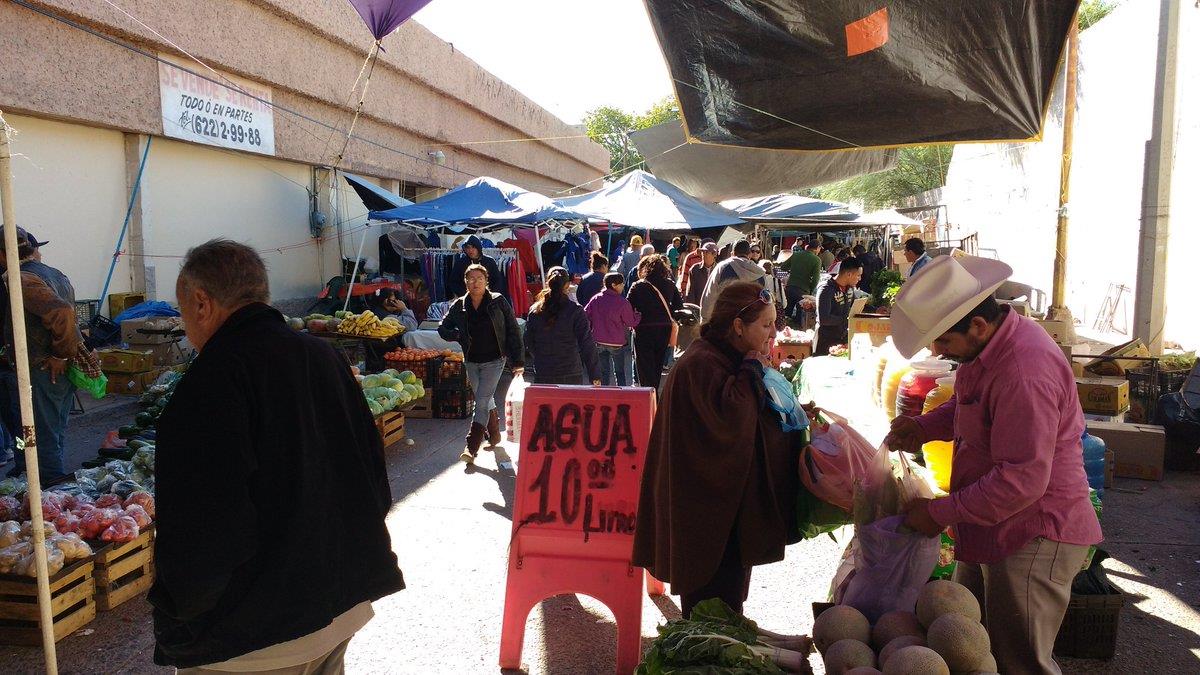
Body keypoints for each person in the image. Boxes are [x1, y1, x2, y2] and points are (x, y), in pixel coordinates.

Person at [149, 240, 403, 671]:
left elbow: (204, 524)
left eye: (181, 310)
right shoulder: (324, 356)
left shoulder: (212, 379)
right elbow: (372, 475)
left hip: (256, 638)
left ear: (201, 303)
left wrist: (181, 614)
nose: (185, 323)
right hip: (340, 604)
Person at [884, 255, 1102, 675]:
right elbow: (970, 409)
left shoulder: (1024, 371)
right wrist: (923, 426)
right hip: (993, 521)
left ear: (978, 327)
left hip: (1033, 532)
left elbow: (1021, 480)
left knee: (1019, 662)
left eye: (944, 342)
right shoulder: (984, 352)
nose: (937, 351)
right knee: (972, 650)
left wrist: (937, 513)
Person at [633, 281, 800, 617]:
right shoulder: (701, 364)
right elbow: (730, 423)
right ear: (738, 327)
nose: (772, 334)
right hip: (702, 512)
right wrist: (752, 370)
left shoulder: (724, 356)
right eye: (765, 325)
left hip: (722, 507)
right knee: (710, 605)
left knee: (727, 600)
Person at [0, 227, 81, 483]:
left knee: (40, 429)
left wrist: (61, 355)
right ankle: (27, 464)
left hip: (43, 366)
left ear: (4, 254)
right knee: (33, 426)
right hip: (42, 366)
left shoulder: (22, 279)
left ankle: (50, 485)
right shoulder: (54, 274)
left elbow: (64, 313)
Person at [438, 264, 525, 464]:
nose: (475, 282)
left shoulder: (498, 301)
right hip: (471, 360)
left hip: (495, 359)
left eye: (479, 278)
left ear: (486, 281)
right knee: (484, 398)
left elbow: (513, 330)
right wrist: (456, 336)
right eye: (471, 278)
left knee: (482, 401)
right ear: (465, 282)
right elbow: (443, 327)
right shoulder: (459, 305)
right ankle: (494, 435)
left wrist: (518, 360)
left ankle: (471, 447)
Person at [525, 267, 601, 385]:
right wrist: (594, 374)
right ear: (567, 285)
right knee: (571, 403)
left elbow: (529, 341)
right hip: (570, 369)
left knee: (546, 403)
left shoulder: (535, 311)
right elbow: (587, 343)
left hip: (544, 370)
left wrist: (540, 357)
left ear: (548, 283)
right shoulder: (575, 310)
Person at [627, 255, 683, 392]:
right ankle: (654, 394)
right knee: (657, 365)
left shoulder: (638, 286)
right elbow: (679, 306)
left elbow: (627, 306)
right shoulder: (670, 284)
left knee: (644, 367)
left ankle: (647, 396)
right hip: (664, 329)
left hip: (643, 330)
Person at [584, 273, 640, 386]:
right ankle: (621, 395)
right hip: (616, 342)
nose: (623, 286)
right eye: (621, 284)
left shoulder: (595, 299)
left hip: (599, 340)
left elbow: (585, 315)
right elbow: (630, 322)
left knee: (604, 372)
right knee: (619, 372)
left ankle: (605, 394)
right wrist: (638, 315)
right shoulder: (622, 302)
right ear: (614, 285)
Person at [699, 239, 767, 322]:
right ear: (749, 255)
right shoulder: (760, 273)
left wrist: (705, 321)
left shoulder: (722, 267)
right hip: (752, 324)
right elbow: (766, 302)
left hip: (726, 324)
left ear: (732, 253)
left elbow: (709, 297)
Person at [813, 257, 865, 356]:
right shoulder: (826, 289)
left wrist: (875, 310)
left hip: (843, 339)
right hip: (826, 342)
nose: (860, 279)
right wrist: (846, 320)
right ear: (848, 274)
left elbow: (856, 305)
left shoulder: (849, 289)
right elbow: (824, 319)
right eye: (858, 275)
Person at [778, 241, 822, 323]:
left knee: (787, 312)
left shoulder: (796, 254)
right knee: (800, 316)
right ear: (817, 248)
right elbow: (816, 279)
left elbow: (783, 267)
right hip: (803, 290)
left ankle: (785, 327)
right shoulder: (816, 260)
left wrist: (794, 270)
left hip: (790, 287)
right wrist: (811, 291)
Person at [683, 242, 719, 306]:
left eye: (706, 252)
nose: (703, 254)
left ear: (714, 254)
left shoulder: (719, 269)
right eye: (702, 252)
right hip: (699, 306)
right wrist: (692, 309)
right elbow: (690, 292)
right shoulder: (695, 269)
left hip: (715, 308)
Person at [760, 260, 786, 329]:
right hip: (775, 313)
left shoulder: (757, 281)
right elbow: (784, 303)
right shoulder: (776, 281)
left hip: (761, 313)